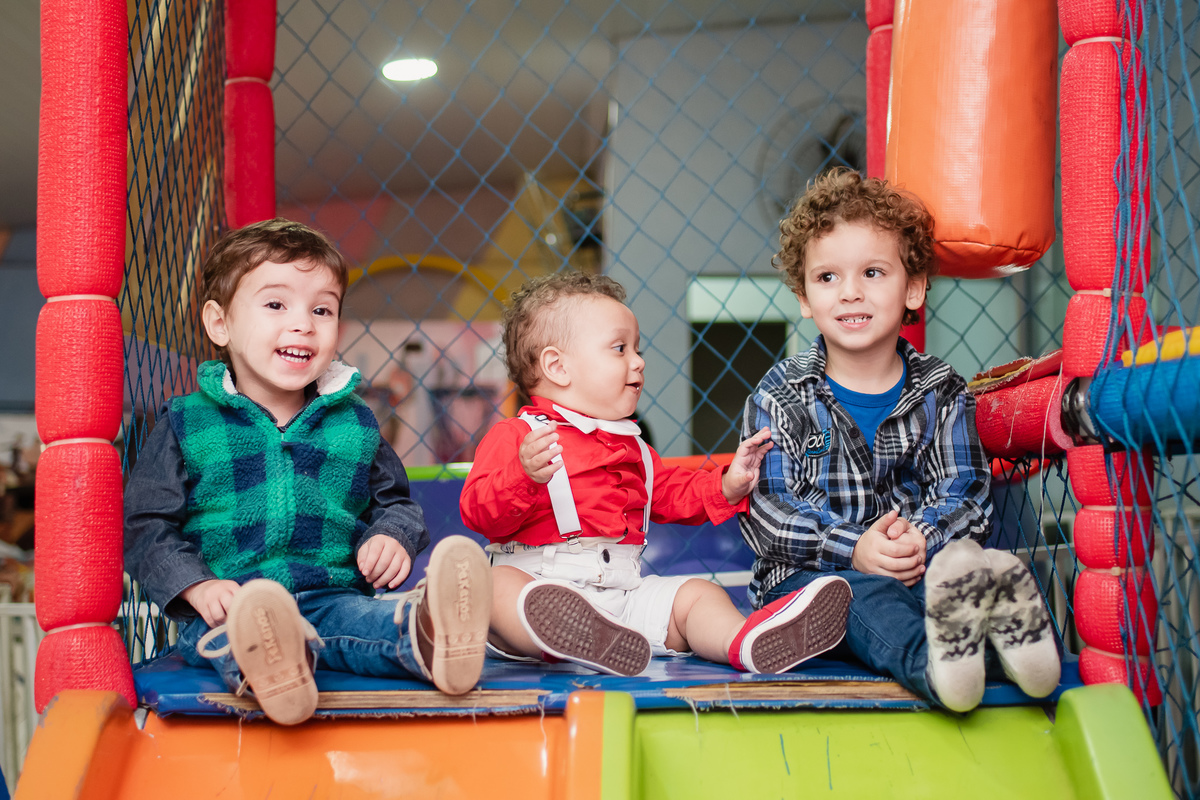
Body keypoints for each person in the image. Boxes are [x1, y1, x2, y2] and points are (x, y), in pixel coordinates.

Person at [124, 218, 492, 725]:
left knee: (372, 624)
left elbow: (397, 504)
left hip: (332, 595)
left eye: (322, 309)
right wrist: (196, 586)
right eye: (276, 304)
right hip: (234, 605)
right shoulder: (187, 422)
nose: (304, 324)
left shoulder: (354, 422)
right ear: (220, 323)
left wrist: (392, 537)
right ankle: (276, 670)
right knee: (234, 638)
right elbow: (147, 524)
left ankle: (435, 638)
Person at [738, 167, 1061, 712]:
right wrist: (855, 548)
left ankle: (1006, 638)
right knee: (864, 596)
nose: (851, 293)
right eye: (827, 278)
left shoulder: (941, 390)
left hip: (915, 566)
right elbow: (770, 512)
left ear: (912, 288)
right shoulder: (780, 396)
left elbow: (964, 493)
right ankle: (937, 668)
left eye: (872, 272)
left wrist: (919, 541)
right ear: (802, 297)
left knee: (953, 574)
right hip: (808, 583)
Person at [460, 272, 851, 677]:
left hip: (623, 597)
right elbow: (479, 512)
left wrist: (727, 484)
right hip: (540, 584)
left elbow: (675, 493)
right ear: (557, 366)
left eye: (637, 348)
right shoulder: (519, 437)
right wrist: (523, 476)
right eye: (619, 348)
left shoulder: (637, 451)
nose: (639, 360)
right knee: (497, 587)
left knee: (697, 595)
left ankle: (745, 642)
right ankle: (572, 637)